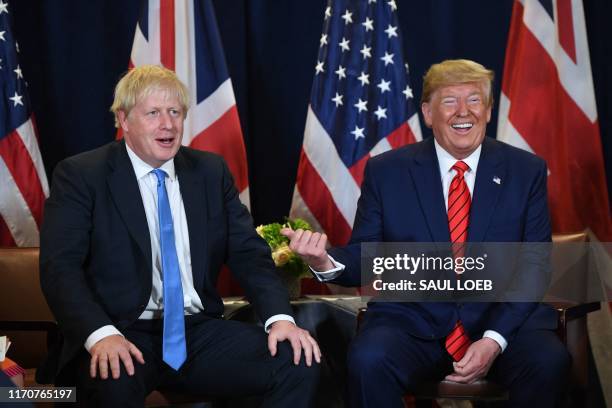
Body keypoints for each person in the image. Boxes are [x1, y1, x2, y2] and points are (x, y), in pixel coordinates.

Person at [282, 59, 570, 407]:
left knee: (548, 361)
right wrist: (324, 260)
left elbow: (534, 267)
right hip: (412, 323)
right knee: (368, 360)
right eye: (449, 100)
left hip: (501, 322)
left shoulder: (527, 171)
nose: (463, 111)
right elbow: (367, 257)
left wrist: (493, 339)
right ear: (428, 112)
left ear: (489, 110)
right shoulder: (387, 172)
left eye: (475, 100)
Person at [38, 65, 320, 407]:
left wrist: (280, 319)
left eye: (175, 112)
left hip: (197, 332)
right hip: (120, 330)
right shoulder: (82, 175)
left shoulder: (210, 172)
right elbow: (60, 270)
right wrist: (100, 335)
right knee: (112, 382)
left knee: (296, 359)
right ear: (124, 120)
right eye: (153, 113)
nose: (168, 125)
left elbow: (249, 255)